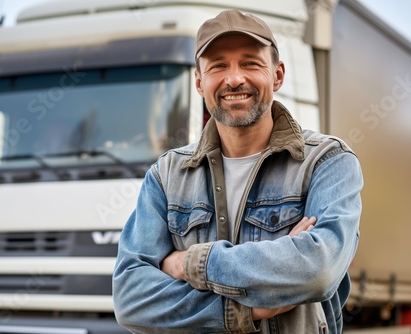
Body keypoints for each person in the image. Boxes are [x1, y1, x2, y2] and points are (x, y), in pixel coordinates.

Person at [113, 8, 363, 334]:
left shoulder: (328, 162)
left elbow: (318, 271)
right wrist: (244, 311)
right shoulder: (167, 174)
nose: (234, 78)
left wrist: (189, 263)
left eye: (250, 63)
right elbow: (131, 299)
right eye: (218, 65)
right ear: (200, 82)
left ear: (278, 74)